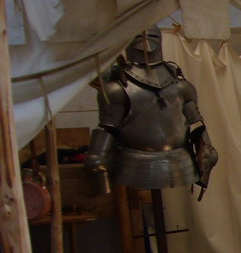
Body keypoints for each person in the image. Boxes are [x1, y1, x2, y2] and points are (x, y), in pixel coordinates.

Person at [85, 27, 218, 198]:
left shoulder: (181, 86)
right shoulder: (117, 90)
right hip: (137, 165)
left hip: (180, 162)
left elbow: (200, 134)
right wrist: (98, 166)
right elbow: (105, 135)